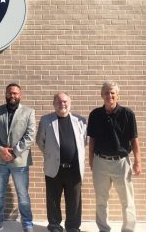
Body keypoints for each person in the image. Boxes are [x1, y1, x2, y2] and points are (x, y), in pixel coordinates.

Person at [87, 81, 142, 232]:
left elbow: (134, 140)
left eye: (112, 92)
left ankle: (128, 229)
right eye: (106, 92)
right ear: (101, 95)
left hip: (121, 163)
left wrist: (138, 162)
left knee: (127, 200)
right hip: (100, 162)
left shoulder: (127, 114)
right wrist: (91, 160)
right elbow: (92, 140)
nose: (109, 95)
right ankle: (103, 228)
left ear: (117, 95)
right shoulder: (95, 115)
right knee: (101, 200)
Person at [0, 83, 35, 232]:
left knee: (23, 195)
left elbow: (30, 135)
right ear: (5, 94)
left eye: (15, 93)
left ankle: (27, 224)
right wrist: (0, 149)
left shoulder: (28, 112)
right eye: (10, 93)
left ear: (20, 95)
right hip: (0, 160)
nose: (12, 96)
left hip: (20, 162)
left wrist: (13, 152)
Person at [36, 92, 87, 232]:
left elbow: (84, 142)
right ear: (54, 104)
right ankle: (54, 226)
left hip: (74, 169)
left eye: (65, 101)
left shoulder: (81, 121)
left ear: (69, 103)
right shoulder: (46, 120)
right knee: (53, 200)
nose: (62, 104)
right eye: (58, 102)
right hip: (54, 168)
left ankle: (73, 227)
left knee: (74, 201)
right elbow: (40, 141)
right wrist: (52, 155)